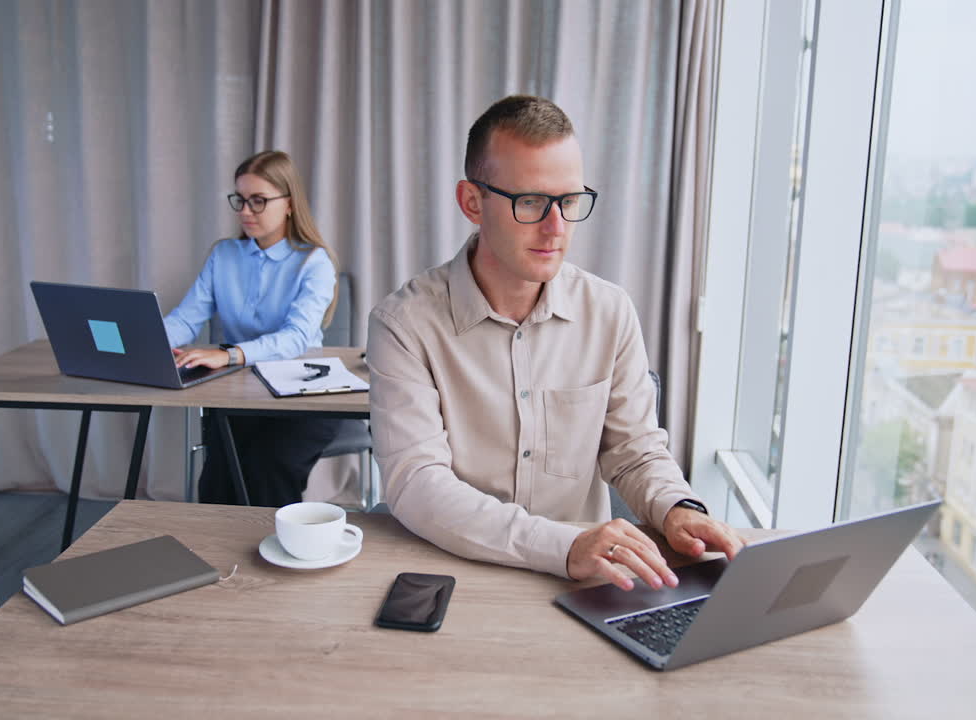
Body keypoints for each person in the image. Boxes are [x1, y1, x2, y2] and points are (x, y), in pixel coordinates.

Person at [367, 96, 744, 591]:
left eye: (568, 201)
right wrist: (562, 547)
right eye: (530, 202)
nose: (557, 228)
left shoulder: (609, 311)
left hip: (587, 578)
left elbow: (633, 450)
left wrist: (677, 506)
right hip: (454, 573)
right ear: (471, 202)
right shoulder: (403, 323)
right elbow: (417, 486)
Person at [164, 150, 344, 507]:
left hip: (305, 394)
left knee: (268, 467)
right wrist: (148, 344)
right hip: (239, 391)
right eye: (241, 200)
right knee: (219, 478)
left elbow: (296, 339)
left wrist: (229, 354)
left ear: (289, 204)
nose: (245, 211)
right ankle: (216, 557)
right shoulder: (224, 255)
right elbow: (186, 319)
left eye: (258, 201)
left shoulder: (314, 262)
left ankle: (276, 555)